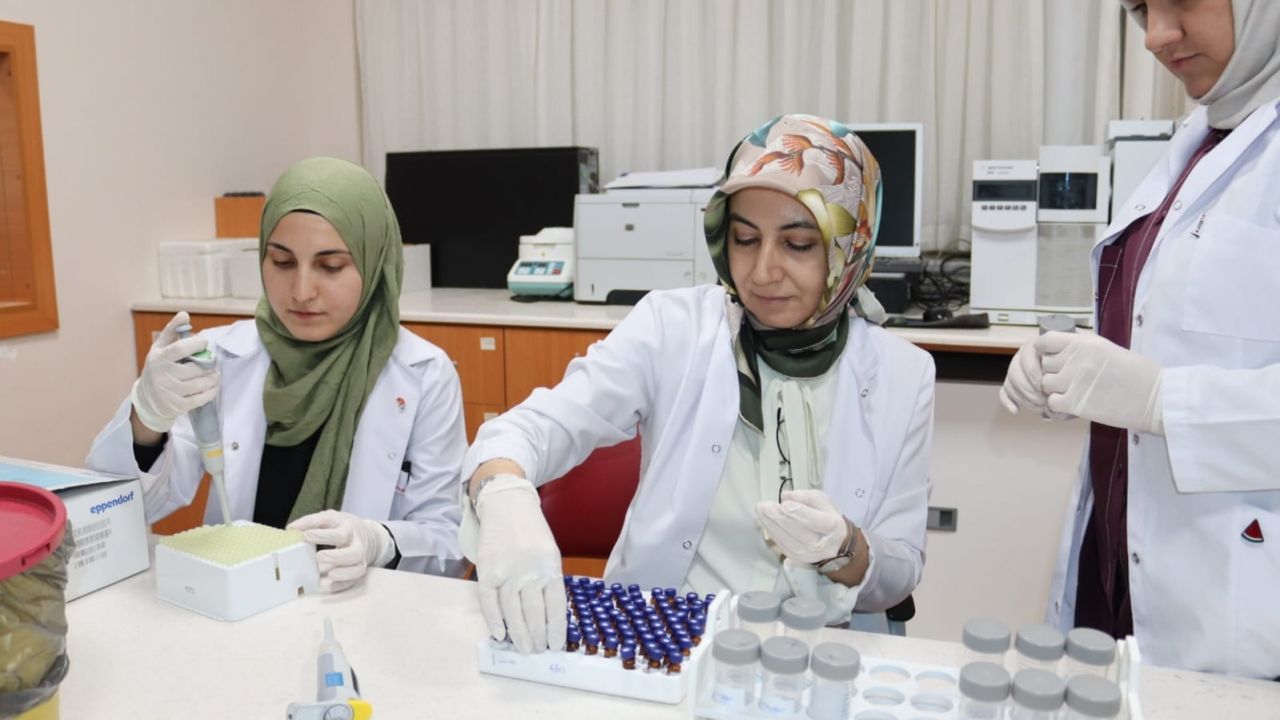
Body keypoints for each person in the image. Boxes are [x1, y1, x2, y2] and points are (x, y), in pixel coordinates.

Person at [460, 114, 935, 654]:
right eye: (745, 239)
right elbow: (536, 426)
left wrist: (846, 550)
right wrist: (503, 492)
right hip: (666, 642)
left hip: (818, 655)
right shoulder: (672, 327)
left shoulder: (904, 374)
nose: (762, 271)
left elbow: (902, 569)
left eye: (799, 244)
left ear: (851, 245)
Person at [1000, 0, 1280, 678]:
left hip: (1244, 602)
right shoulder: (1203, 138)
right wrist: (1069, 366)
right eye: (1140, 9)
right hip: (1126, 559)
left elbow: (1165, 379)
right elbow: (1162, 324)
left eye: (1181, 2)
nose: (1156, 36)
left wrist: (1160, 400)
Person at [86, 157, 466, 591]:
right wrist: (146, 420)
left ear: (374, 262)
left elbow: (450, 550)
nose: (301, 291)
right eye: (282, 262)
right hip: (239, 603)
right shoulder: (221, 357)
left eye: (331, 266)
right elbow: (118, 513)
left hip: (360, 611)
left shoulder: (423, 375)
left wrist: (380, 541)